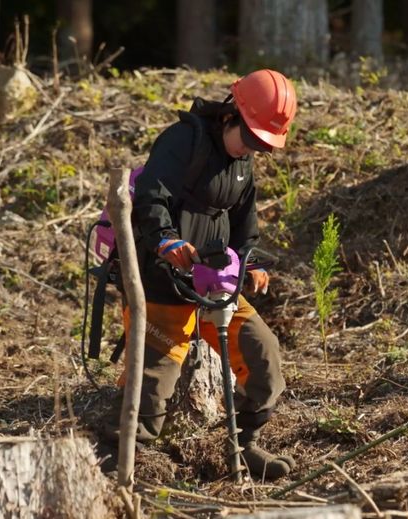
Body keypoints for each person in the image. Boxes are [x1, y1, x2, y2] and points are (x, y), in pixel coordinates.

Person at [111, 69, 297, 480]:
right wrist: (166, 241)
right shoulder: (183, 142)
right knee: (152, 385)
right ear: (231, 116)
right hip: (165, 281)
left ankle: (244, 444)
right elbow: (150, 196)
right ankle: (123, 464)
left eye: (262, 145)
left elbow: (246, 226)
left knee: (263, 356)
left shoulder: (242, 164)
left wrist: (254, 266)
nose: (252, 149)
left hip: (216, 286)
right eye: (250, 138)